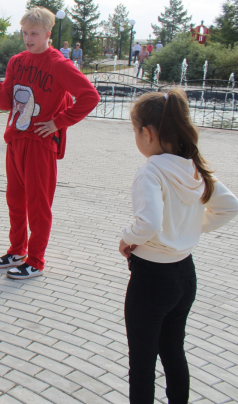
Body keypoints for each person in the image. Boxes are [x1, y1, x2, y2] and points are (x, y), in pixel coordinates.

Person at [120, 89, 238, 402]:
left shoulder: (151, 170)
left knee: (142, 363)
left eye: (134, 130)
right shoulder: (193, 167)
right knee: (174, 353)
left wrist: (127, 237)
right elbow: (230, 206)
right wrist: (189, 231)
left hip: (151, 280)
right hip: (185, 276)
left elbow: (147, 224)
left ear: (146, 133)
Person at [0, 7, 100, 279]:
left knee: (38, 204)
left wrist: (58, 122)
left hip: (40, 144)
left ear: (48, 34)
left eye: (34, 33)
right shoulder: (17, 61)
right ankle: (17, 251)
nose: (28, 38)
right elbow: (7, 104)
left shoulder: (59, 64)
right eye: (24, 32)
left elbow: (90, 97)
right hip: (15, 140)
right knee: (15, 200)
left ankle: (35, 260)